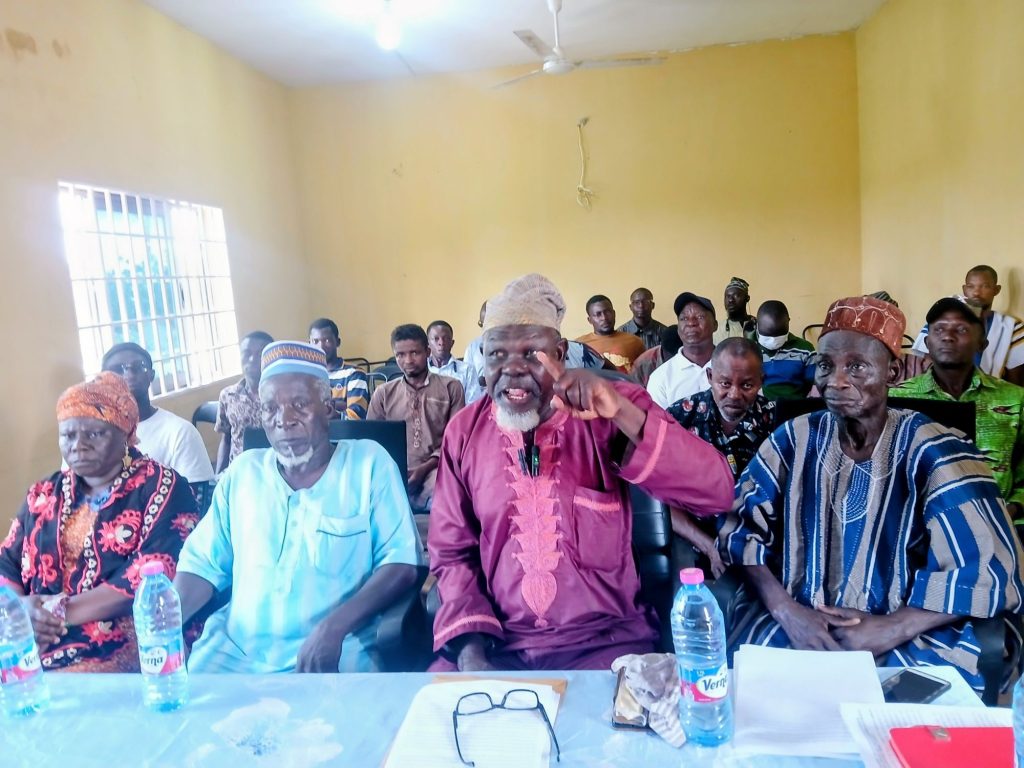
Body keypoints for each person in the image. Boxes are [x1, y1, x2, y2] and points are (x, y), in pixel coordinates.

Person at [428, 273, 734, 672]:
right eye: (497, 354)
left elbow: (716, 491)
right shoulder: (465, 432)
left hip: (605, 646)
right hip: (499, 648)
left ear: (559, 352)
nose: (512, 369)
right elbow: (452, 553)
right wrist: (472, 654)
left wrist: (623, 413)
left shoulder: (607, 409)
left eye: (531, 353)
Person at [718, 296, 1024, 690]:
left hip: (906, 629)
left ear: (892, 372)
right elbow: (740, 532)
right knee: (755, 671)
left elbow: (989, 565)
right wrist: (787, 611)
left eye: (857, 367)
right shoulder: (792, 439)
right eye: (825, 365)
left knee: (942, 677)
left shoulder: (934, 449)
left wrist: (892, 627)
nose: (836, 381)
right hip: (799, 622)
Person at [173, 341, 421, 673]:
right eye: (270, 408)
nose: (284, 420)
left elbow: (402, 562)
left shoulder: (368, 464)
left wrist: (334, 628)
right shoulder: (243, 472)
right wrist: (166, 622)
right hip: (235, 652)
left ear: (329, 408)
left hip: (337, 648)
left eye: (300, 405)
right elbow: (202, 565)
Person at [0, 373, 198, 671]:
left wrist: (55, 613)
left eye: (94, 434)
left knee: (61, 682)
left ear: (125, 433)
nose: (79, 445)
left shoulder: (163, 488)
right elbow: (7, 561)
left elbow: (154, 572)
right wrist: (17, 612)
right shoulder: (44, 493)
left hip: (126, 630)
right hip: (32, 628)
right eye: (68, 435)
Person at [893, 297, 1024, 524]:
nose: (948, 336)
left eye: (961, 329)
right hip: (920, 528)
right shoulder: (898, 399)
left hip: (1001, 526)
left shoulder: (1014, 398)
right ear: (927, 342)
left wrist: (1010, 510)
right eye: (939, 329)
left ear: (982, 343)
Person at [665, 339, 775, 577]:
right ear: (710, 376)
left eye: (747, 385)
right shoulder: (678, 419)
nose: (734, 395)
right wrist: (709, 547)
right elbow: (659, 497)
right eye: (724, 383)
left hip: (759, 547)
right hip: (692, 542)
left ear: (761, 381)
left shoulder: (776, 424)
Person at [369, 324, 465, 512]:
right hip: (392, 472)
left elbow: (455, 441)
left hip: (435, 470)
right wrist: (394, 470)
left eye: (415, 353)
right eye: (400, 355)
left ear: (428, 352)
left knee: (447, 495)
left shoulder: (451, 388)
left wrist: (423, 470)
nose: (408, 360)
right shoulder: (383, 393)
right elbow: (372, 442)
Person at [101, 343, 214, 491]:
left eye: (138, 367)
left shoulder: (180, 433)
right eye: (117, 369)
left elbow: (197, 498)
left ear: (151, 375)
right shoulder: (88, 435)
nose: (129, 374)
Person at [910, 265, 1024, 385]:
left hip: (989, 394)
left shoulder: (1011, 327)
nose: (976, 292)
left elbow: (1016, 380)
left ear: (996, 290)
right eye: (971, 286)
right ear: (964, 289)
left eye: (985, 286)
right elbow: (924, 365)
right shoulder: (943, 317)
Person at [214, 331, 273, 473]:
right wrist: (219, 475)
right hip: (238, 472)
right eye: (247, 353)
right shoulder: (228, 395)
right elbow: (226, 438)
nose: (252, 359)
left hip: (274, 471)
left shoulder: (284, 396)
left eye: (260, 354)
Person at [647, 292, 718, 408]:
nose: (691, 323)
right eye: (684, 318)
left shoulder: (734, 368)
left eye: (700, 317)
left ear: (715, 325)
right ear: (678, 329)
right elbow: (658, 419)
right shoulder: (660, 378)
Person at [309, 318, 370, 420]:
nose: (321, 346)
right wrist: (339, 405)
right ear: (310, 344)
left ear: (337, 342)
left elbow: (356, 417)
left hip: (340, 430)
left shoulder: (354, 373)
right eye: (315, 341)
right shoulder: (306, 375)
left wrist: (327, 409)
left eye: (327, 340)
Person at [754, 300, 816, 400]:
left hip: (797, 406)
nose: (773, 340)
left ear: (788, 322)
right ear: (757, 324)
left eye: (779, 335)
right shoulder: (748, 350)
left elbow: (812, 384)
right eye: (767, 335)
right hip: (760, 406)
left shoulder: (805, 350)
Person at [575, 295, 645, 373]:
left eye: (607, 312)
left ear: (614, 313)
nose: (604, 318)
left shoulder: (635, 341)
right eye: (598, 314)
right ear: (590, 320)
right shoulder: (579, 346)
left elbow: (644, 373)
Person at [426, 320, 475, 399]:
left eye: (445, 338)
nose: (441, 343)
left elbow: (473, 403)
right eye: (436, 338)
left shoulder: (467, 370)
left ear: (452, 343)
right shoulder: (420, 370)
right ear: (428, 343)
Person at [713, 277, 756, 344]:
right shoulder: (717, 330)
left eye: (736, 296)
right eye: (727, 296)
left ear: (747, 298)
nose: (730, 300)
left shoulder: (759, 326)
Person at [461, 301, 488, 404]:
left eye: (489, 323)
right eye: (482, 324)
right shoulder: (473, 347)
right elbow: (466, 378)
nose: (485, 328)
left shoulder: (512, 345)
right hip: (478, 401)